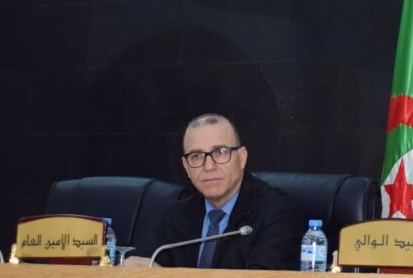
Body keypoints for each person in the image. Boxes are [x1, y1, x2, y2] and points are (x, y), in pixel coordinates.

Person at [125, 113, 303, 269]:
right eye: (196, 156)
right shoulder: (175, 216)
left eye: (220, 152)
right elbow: (150, 270)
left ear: (242, 158)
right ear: (186, 167)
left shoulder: (278, 213)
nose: (209, 166)